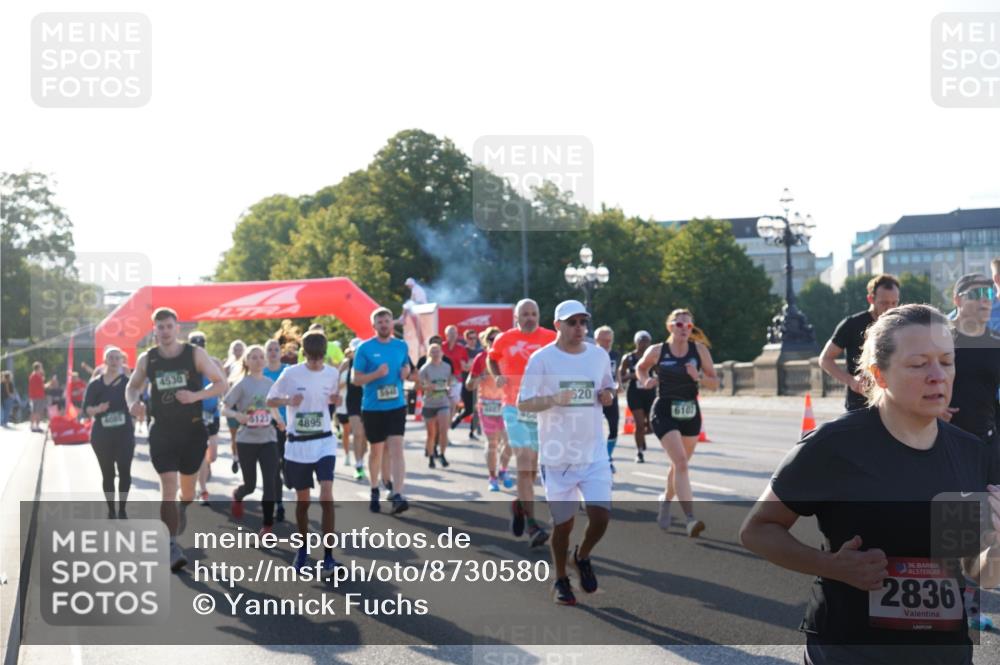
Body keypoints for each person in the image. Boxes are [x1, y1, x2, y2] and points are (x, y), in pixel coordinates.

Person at [740, 303, 1000, 665]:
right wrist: (831, 565)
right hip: (850, 649)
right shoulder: (834, 446)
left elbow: (979, 572)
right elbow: (756, 530)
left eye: (946, 361)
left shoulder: (972, 453)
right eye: (918, 364)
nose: (938, 375)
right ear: (879, 375)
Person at [519, 300, 617, 605]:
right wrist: (553, 399)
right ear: (558, 324)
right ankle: (560, 578)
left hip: (593, 452)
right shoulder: (542, 359)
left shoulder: (598, 355)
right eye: (572, 322)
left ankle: (582, 556)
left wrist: (607, 396)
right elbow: (524, 402)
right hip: (558, 454)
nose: (579, 328)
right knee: (563, 525)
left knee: (601, 517)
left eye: (582, 322)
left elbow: (610, 388)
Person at [126, 307, 227, 572]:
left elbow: (220, 383)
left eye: (169, 326)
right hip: (163, 431)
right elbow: (132, 386)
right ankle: (170, 545)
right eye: (160, 327)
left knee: (188, 492)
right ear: (155, 330)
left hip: (192, 431)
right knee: (168, 487)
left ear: (177, 328)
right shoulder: (148, 359)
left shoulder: (194, 354)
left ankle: (183, 505)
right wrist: (132, 403)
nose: (165, 332)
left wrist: (195, 397)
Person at [941, 273, 1000, 632]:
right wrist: (932, 410)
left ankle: (971, 606)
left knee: (985, 529)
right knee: (957, 528)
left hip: (988, 444)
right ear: (957, 299)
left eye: (990, 293)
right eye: (977, 294)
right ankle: (950, 605)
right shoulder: (941, 337)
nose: (985, 299)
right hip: (946, 441)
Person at [636, 309, 719, 536]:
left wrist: (699, 377)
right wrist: (646, 381)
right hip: (664, 410)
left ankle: (665, 500)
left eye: (689, 326)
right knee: (681, 462)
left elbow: (715, 382)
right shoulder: (657, 351)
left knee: (678, 465)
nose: (685, 329)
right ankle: (691, 518)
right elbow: (640, 368)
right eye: (680, 324)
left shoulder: (699, 351)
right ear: (670, 327)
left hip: (690, 412)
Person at [267, 330, 341, 574]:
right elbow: (270, 400)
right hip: (298, 444)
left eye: (320, 358)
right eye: (312, 358)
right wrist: (289, 401)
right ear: (304, 354)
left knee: (327, 496)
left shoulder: (332, 373)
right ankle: (303, 548)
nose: (316, 362)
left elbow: (332, 399)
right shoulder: (291, 373)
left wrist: (335, 400)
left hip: (324, 442)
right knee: (303, 502)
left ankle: (329, 556)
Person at [487, 299, 555, 548]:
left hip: (540, 408)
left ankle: (519, 505)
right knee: (524, 462)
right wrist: (498, 377)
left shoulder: (550, 337)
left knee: (532, 470)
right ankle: (532, 525)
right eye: (525, 314)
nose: (530, 318)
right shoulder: (504, 339)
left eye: (534, 313)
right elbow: (492, 359)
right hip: (514, 407)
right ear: (517, 317)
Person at [353, 307, 411, 515]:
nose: (384, 324)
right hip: (373, 408)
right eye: (380, 322)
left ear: (391, 323)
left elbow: (407, 369)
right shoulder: (365, 348)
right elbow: (356, 379)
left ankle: (397, 494)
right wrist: (376, 374)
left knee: (397, 447)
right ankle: (374, 489)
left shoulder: (401, 346)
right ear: (374, 326)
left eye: (387, 321)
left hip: (396, 405)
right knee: (376, 450)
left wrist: (407, 372)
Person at [820, 274, 901, 412]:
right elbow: (825, 359)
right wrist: (850, 381)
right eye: (884, 303)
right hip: (860, 405)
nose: (890, 309)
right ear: (870, 299)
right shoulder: (851, 324)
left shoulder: (902, 325)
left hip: (893, 404)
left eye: (894, 303)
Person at [224, 345, 280, 536]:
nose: (257, 360)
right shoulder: (242, 384)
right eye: (253, 357)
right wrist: (237, 416)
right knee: (250, 485)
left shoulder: (270, 383)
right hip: (246, 441)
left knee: (270, 483)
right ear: (247, 361)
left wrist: (280, 422)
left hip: (268, 439)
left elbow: (273, 408)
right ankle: (238, 495)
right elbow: (225, 407)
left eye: (260, 357)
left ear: (265, 361)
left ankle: (267, 526)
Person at [83, 346, 135, 519]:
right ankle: (111, 510)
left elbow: (136, 402)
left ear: (122, 361)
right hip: (102, 436)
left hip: (124, 434)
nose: (114, 361)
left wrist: (138, 407)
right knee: (108, 474)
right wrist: (98, 408)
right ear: (105, 361)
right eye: (111, 358)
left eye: (117, 358)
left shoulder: (128, 383)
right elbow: (86, 410)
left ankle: (123, 509)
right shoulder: (95, 384)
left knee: (125, 471)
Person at [467, 326, 513, 491]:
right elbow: (469, 385)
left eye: (498, 339)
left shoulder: (508, 357)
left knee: (510, 442)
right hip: (487, 404)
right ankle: (492, 477)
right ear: (486, 342)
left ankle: (503, 470)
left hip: (507, 403)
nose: (495, 342)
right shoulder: (481, 358)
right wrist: (480, 378)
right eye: (492, 339)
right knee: (492, 443)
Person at [188, 331, 223, 505]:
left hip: (213, 412)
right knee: (201, 452)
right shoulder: (187, 365)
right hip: (195, 414)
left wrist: (226, 402)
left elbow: (224, 385)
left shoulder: (214, 362)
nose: (199, 347)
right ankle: (203, 490)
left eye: (201, 344)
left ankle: (207, 466)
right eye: (195, 344)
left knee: (213, 454)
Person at [262, 339, 290, 521]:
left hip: (288, 423)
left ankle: (288, 475)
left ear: (281, 352)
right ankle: (279, 503)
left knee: (285, 464)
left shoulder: (288, 371)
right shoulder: (261, 372)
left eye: (276, 349)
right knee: (274, 466)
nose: (273, 353)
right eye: (269, 350)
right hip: (267, 423)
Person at [620, 330, 655, 463]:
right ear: (636, 342)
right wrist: (632, 376)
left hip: (649, 391)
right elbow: (621, 377)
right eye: (641, 341)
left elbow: (660, 372)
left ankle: (642, 435)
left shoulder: (652, 357)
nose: (644, 344)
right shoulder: (628, 358)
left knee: (652, 425)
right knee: (639, 424)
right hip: (635, 393)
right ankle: (639, 451)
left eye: (647, 341)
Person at [419, 343, 455, 469]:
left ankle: (442, 454)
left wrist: (449, 387)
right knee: (431, 434)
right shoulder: (425, 369)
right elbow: (417, 386)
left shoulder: (447, 367)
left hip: (443, 402)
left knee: (444, 430)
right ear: (429, 354)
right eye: (432, 351)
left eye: (437, 351)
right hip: (429, 403)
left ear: (441, 353)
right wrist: (427, 387)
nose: (435, 353)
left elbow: (450, 380)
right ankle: (430, 456)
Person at [340, 339, 368, 482]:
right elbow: (335, 377)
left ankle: (361, 459)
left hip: (369, 402)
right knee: (357, 433)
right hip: (353, 402)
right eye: (354, 350)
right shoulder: (347, 363)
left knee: (365, 437)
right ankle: (358, 465)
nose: (356, 353)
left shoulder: (369, 362)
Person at [594, 325, 621, 472]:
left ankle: (608, 457)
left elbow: (616, 372)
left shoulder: (615, 355)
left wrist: (620, 385)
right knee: (594, 429)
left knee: (614, 427)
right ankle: (597, 459)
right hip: (594, 396)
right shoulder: (591, 354)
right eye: (604, 340)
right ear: (597, 340)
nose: (607, 343)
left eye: (609, 340)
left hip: (611, 394)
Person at [449, 328, 478, 440]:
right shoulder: (463, 350)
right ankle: (456, 420)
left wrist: (472, 364)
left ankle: (472, 431)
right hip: (466, 382)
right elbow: (464, 367)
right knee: (469, 408)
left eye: (475, 338)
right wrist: (472, 364)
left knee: (477, 408)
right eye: (470, 338)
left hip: (478, 383)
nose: (473, 340)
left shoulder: (479, 351)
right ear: (466, 339)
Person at [223, 340, 247, 472]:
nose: (238, 351)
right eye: (235, 349)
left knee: (245, 433)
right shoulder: (227, 366)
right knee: (234, 435)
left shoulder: (248, 365)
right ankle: (235, 457)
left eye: (240, 349)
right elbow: (222, 385)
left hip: (244, 404)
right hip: (232, 404)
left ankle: (245, 458)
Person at [28, 362, 46, 432]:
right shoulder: (37, 376)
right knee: (37, 412)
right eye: (41, 367)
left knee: (34, 411)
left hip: (34, 396)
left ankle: (33, 426)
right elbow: (42, 387)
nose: (42, 368)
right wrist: (50, 383)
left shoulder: (33, 375)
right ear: (38, 368)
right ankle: (36, 426)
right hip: (38, 396)